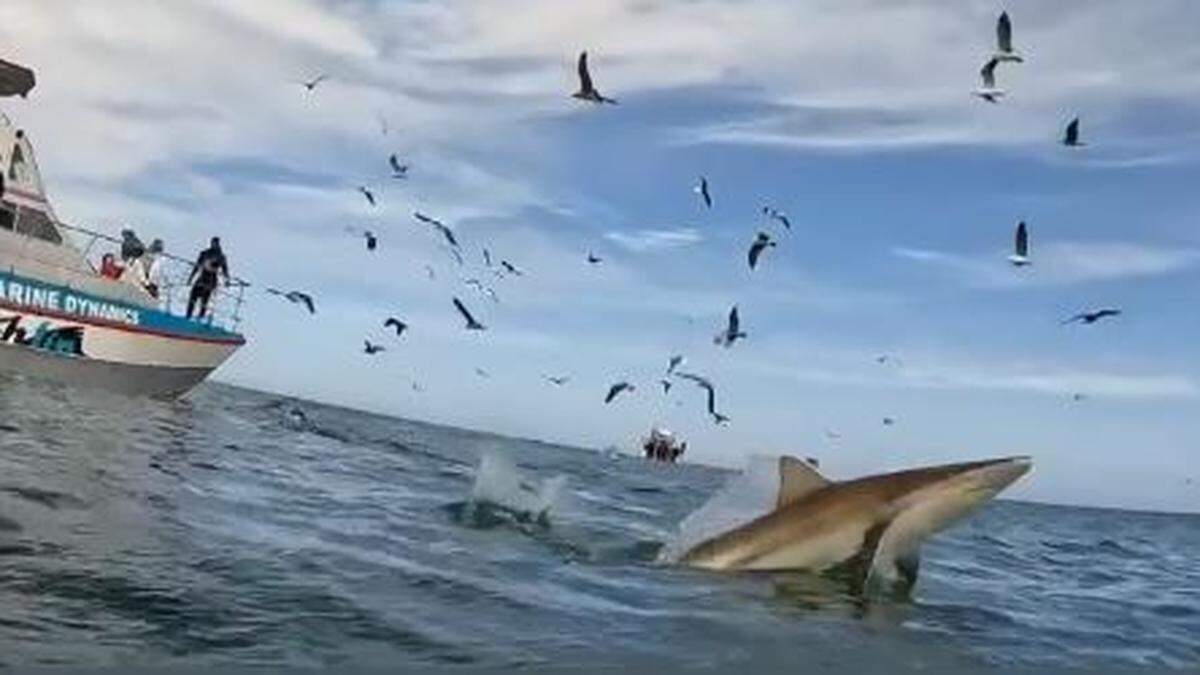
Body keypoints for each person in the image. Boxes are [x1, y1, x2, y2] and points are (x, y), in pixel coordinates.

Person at [186, 237, 229, 320]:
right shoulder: (205, 253)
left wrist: (227, 280)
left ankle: (200, 317)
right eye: (213, 243)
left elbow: (225, 270)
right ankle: (188, 316)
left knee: (205, 299)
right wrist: (190, 278)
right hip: (202, 278)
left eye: (215, 243)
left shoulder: (221, 257)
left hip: (211, 280)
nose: (214, 245)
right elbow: (197, 266)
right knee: (193, 295)